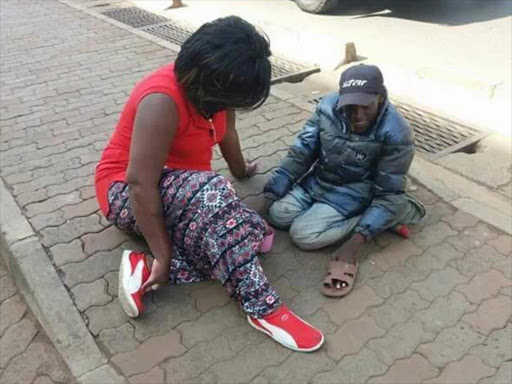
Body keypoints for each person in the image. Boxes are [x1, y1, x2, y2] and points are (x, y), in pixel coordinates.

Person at [94, 16, 323, 352]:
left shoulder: (216, 93)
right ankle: (263, 307)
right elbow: (140, 183)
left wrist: (242, 170)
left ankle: (139, 266)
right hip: (126, 192)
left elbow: (227, 133)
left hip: (184, 192)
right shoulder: (162, 100)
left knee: (251, 235)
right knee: (219, 205)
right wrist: (162, 252)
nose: (234, 108)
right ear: (210, 83)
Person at [264, 64, 425, 298]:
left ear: (380, 98)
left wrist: (355, 243)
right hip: (319, 181)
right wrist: (267, 198)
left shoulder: (397, 133)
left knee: (303, 235)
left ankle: (389, 215)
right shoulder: (326, 108)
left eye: (365, 107)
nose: (357, 115)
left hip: (354, 192)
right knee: (277, 214)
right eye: (350, 106)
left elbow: (388, 193)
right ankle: (381, 217)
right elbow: (301, 153)